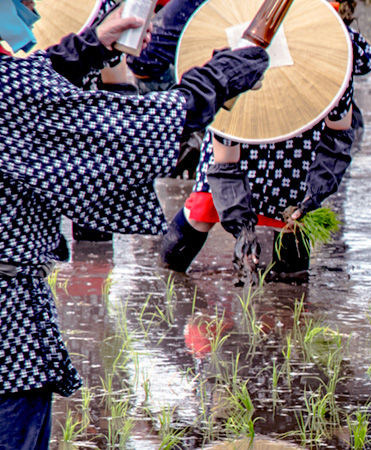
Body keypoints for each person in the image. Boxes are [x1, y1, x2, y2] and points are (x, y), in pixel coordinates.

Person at [0, 3, 269, 447]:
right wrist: (218, 78)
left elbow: (31, 93)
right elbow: (142, 129)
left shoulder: (17, 86)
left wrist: (84, 50)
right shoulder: (12, 90)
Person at [159, 20, 371, 281]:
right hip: (242, 131)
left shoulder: (335, 59)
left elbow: (337, 136)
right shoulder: (239, 60)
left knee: (294, 219)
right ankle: (167, 278)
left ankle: (289, 304)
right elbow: (225, 159)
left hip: (299, 151)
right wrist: (241, 227)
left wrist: (316, 192)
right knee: (203, 209)